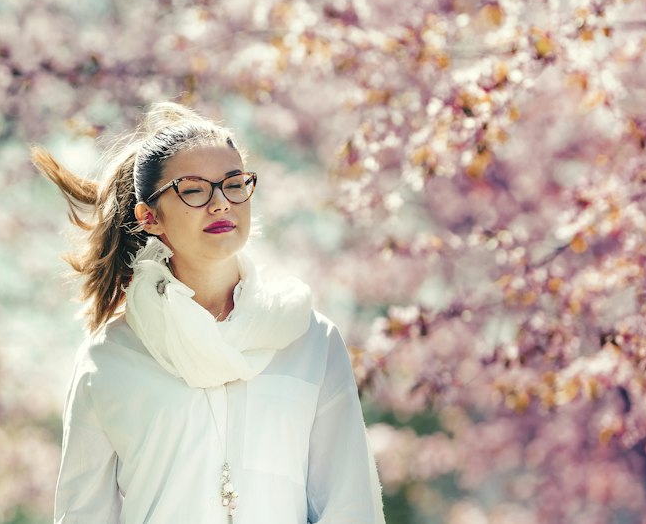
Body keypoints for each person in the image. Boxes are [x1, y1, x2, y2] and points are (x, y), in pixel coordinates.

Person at [33, 101, 386, 524]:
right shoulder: (108, 359)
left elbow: (350, 505)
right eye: (194, 189)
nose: (221, 203)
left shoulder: (309, 338)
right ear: (149, 217)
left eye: (234, 184)